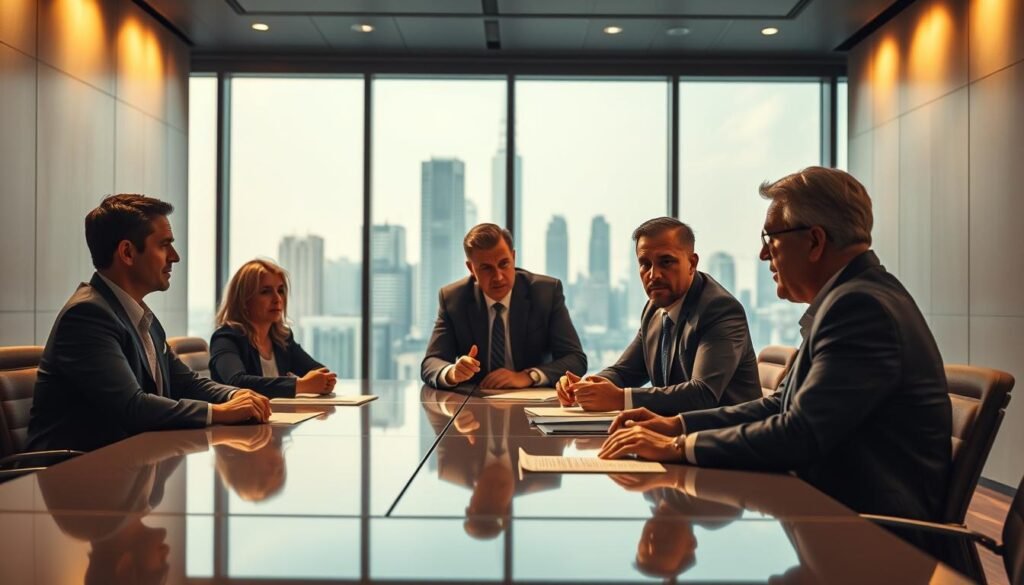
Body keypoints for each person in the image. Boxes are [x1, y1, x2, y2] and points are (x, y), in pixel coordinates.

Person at [599, 167, 952, 523]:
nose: (763, 255)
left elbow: (799, 434)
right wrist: (676, 425)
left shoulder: (861, 308)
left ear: (814, 241)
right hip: (827, 512)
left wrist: (677, 447)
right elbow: (779, 405)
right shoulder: (851, 298)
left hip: (870, 536)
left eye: (771, 238)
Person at [27, 194, 270, 452]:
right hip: (74, 475)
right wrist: (218, 412)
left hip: (128, 468)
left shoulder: (142, 318)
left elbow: (186, 383)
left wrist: (234, 395)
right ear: (128, 253)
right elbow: (133, 406)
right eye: (164, 245)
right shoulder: (87, 315)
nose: (175, 256)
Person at [556, 217, 760, 414]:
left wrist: (620, 398)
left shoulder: (719, 309)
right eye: (645, 264)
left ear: (692, 263)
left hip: (726, 441)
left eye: (666, 262)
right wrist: (586, 386)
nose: (654, 275)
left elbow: (702, 394)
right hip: (672, 436)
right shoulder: (654, 310)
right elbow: (625, 371)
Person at [421, 223, 587, 389]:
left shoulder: (545, 293)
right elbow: (431, 362)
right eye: (486, 268)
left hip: (533, 401)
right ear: (471, 268)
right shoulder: (454, 298)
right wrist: (452, 372)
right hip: (475, 404)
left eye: (504, 264)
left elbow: (575, 359)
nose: (498, 277)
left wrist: (528, 376)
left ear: (513, 258)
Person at [209, 259, 337, 398]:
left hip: (281, 417)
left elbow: (318, 372)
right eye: (265, 291)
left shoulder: (282, 338)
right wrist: (301, 385)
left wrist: (324, 381)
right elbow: (237, 382)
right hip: (242, 419)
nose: (277, 299)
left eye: (280, 290)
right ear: (244, 299)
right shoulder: (225, 339)